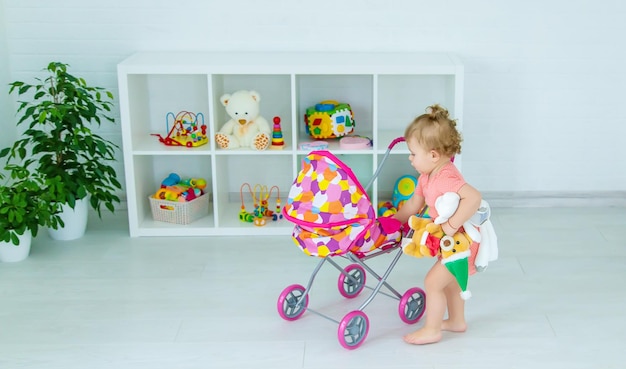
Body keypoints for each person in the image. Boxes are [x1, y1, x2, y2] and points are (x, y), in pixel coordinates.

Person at [393, 104, 482, 345]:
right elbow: (413, 205)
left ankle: (432, 329)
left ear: (433, 155)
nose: (410, 159)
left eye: (413, 153)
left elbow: (474, 198)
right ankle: (456, 321)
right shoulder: (426, 176)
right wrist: (390, 223)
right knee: (451, 282)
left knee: (433, 282)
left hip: (462, 241)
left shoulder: (446, 177)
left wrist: (452, 226)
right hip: (448, 241)